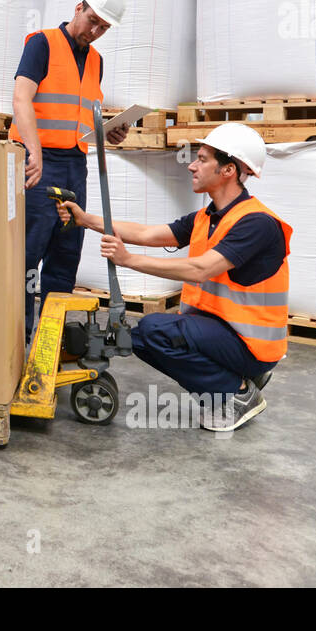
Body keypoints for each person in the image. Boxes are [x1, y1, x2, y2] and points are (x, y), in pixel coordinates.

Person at [55, 124, 291, 432]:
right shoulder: (207, 217)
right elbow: (147, 233)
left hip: (251, 345)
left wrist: (128, 260)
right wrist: (86, 220)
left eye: (203, 159)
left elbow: (200, 269)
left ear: (228, 170)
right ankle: (237, 379)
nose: (192, 165)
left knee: (155, 332)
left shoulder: (256, 224)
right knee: (140, 337)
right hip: (225, 334)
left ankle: (237, 394)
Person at [10, 0, 129, 342]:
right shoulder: (41, 44)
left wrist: (109, 133)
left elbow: (78, 113)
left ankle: (49, 342)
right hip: (36, 163)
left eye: (103, 28)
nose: (95, 32)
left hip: (75, 164)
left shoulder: (96, 60)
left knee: (66, 253)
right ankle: (15, 345)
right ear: (79, 8)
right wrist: (35, 151)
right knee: (28, 255)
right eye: (92, 21)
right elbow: (21, 99)